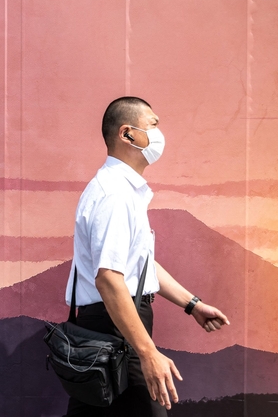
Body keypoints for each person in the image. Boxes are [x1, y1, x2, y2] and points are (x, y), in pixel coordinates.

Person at [64, 97, 230, 416]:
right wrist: (147, 352)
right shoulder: (115, 195)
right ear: (127, 134)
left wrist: (192, 304)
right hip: (116, 328)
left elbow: (140, 264)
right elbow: (109, 279)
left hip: (111, 326)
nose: (159, 133)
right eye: (153, 125)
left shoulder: (121, 191)